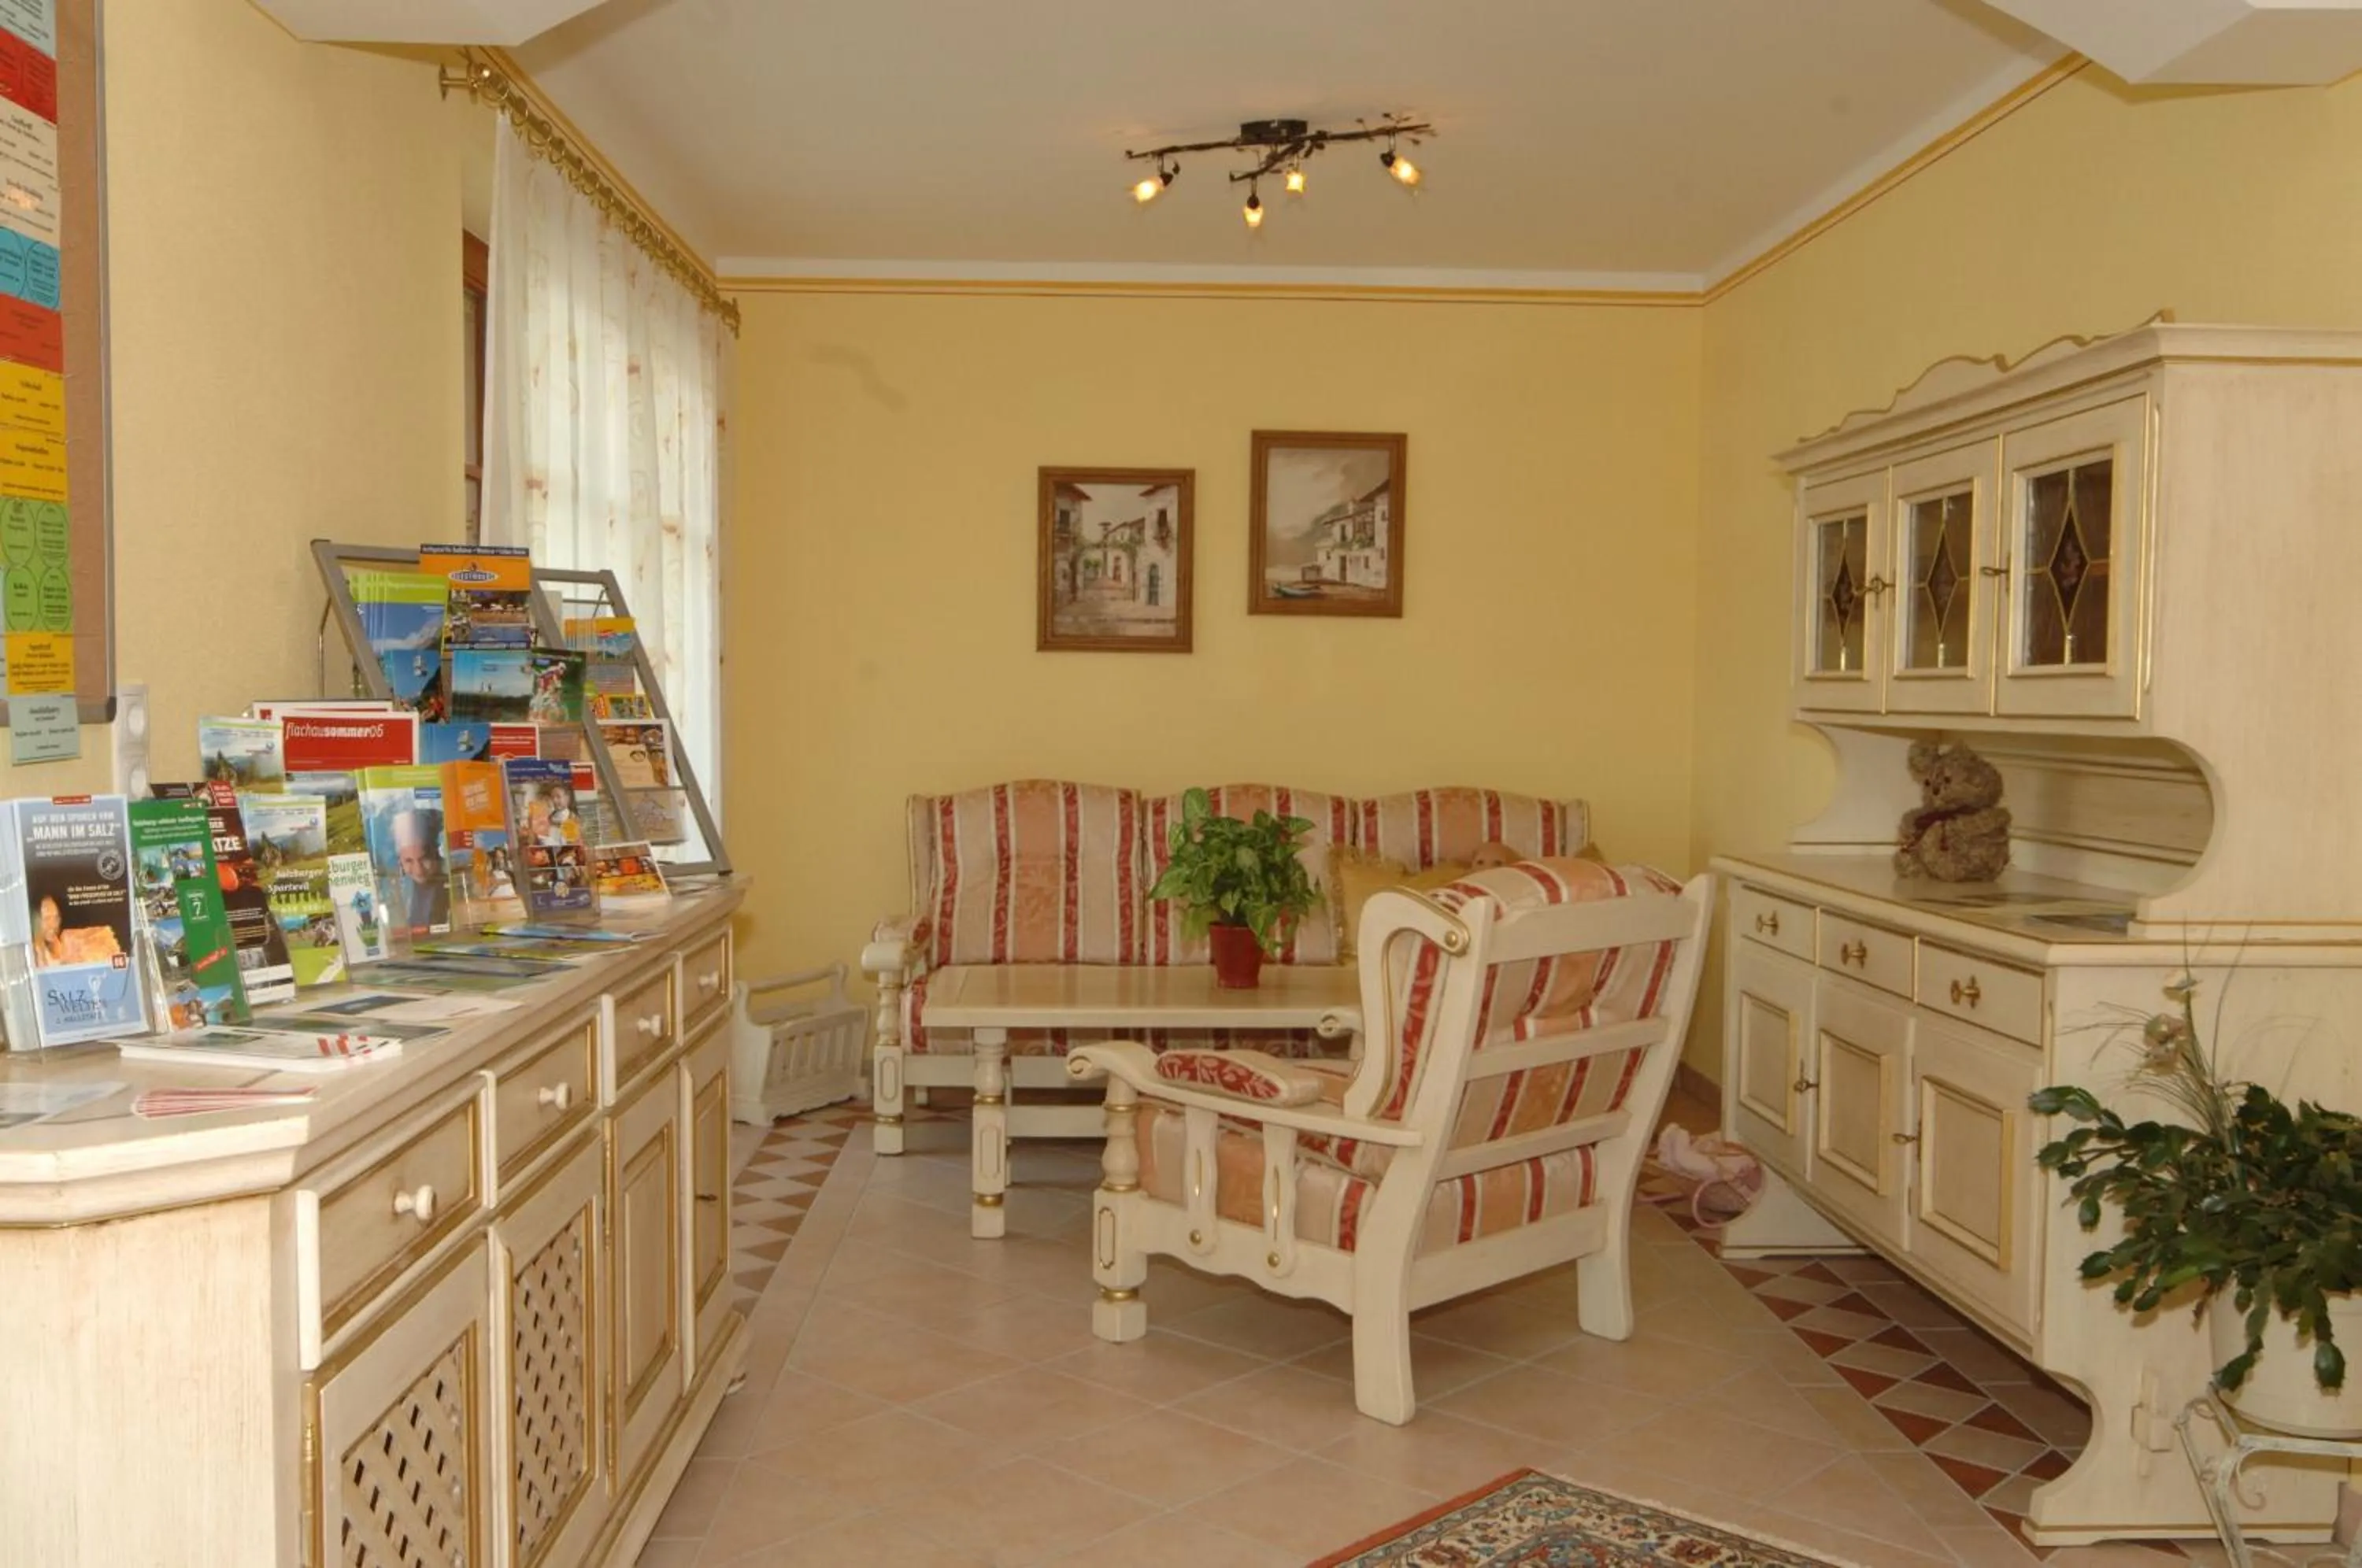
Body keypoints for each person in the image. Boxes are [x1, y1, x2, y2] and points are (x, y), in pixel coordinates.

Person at [391, 809, 450, 930]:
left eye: (424, 859)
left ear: (436, 855)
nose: (419, 871)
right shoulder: (398, 892)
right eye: (409, 861)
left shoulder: (452, 888)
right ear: (400, 862)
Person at [31, 895, 66, 967]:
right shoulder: (31, 953)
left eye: (56, 918)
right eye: (47, 919)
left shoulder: (59, 945)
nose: (54, 925)